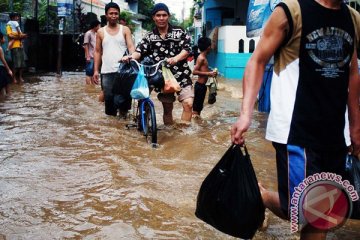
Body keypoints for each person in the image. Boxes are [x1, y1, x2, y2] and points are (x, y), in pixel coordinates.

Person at [230, 0, 360, 239]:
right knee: (305, 210)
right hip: (295, 131)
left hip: (335, 134)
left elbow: (352, 72)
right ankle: (263, 197)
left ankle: (265, 197)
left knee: (323, 213)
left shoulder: (353, 18)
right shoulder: (290, 12)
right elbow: (257, 61)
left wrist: (355, 128)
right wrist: (245, 114)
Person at [124, 3, 194, 125]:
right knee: (167, 109)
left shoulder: (180, 32)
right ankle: (169, 134)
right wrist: (130, 57)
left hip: (182, 75)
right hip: (161, 77)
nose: (161, 18)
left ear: (168, 16)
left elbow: (187, 49)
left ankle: (184, 135)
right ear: (154, 17)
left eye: (164, 15)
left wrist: (176, 58)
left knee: (188, 103)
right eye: (158, 15)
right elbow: (139, 51)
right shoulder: (149, 37)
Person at [93, 2, 135, 116]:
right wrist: (96, 70)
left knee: (124, 102)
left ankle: (121, 128)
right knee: (110, 103)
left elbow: (131, 46)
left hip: (124, 71)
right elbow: (97, 51)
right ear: (106, 15)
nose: (113, 16)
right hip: (107, 71)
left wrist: (133, 58)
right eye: (111, 13)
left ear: (119, 14)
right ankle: (112, 129)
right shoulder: (100, 32)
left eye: (116, 13)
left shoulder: (125, 30)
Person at [192, 37, 217, 118]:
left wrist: (211, 72)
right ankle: (194, 127)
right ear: (208, 47)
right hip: (199, 86)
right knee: (196, 110)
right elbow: (194, 71)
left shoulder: (203, 57)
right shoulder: (201, 58)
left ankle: (197, 125)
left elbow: (203, 69)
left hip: (202, 86)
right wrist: (208, 73)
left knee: (199, 108)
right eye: (211, 46)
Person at [6, 12, 27, 84]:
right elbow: (10, 36)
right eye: (16, 17)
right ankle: (14, 78)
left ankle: (20, 77)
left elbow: (20, 35)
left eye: (18, 17)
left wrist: (20, 37)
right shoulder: (9, 25)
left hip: (20, 46)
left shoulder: (16, 25)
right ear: (13, 17)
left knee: (22, 64)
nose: (17, 18)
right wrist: (20, 36)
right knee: (16, 64)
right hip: (15, 47)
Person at [83, 19, 100, 85]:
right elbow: (85, 45)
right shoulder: (88, 33)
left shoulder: (96, 34)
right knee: (88, 73)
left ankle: (92, 87)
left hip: (95, 56)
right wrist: (87, 56)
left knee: (93, 72)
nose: (99, 27)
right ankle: (88, 87)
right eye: (98, 26)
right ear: (95, 26)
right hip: (90, 56)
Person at [0, 32, 13, 97]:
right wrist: (9, 70)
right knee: (6, 85)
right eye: (3, 37)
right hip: (1, 69)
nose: (5, 39)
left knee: (2, 86)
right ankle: (7, 101)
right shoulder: (0, 48)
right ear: (0, 39)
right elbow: (3, 61)